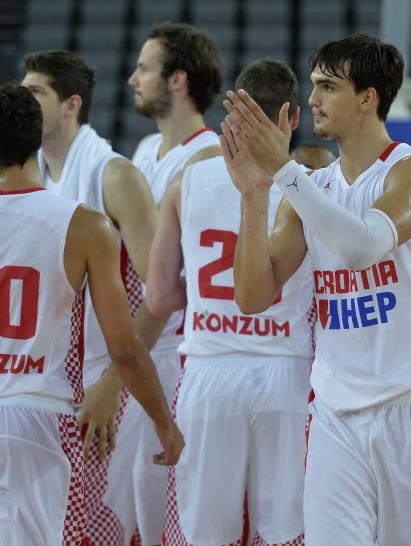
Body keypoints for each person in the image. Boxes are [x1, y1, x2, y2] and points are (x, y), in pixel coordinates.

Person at [221, 33, 411, 545]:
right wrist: (254, 195)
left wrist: (283, 171)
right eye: (313, 85)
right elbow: (253, 298)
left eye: (327, 86)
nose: (311, 99)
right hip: (336, 413)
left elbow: (363, 247)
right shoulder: (309, 190)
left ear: (369, 97)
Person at [0, 83, 183, 546]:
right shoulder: (84, 225)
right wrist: (163, 421)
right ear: (36, 140)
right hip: (39, 416)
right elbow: (123, 346)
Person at [146, 58, 312, 546]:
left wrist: (201, 299)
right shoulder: (313, 187)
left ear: (232, 113)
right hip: (287, 371)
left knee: (202, 533)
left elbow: (158, 297)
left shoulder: (186, 180)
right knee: (286, 532)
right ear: (293, 118)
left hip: (209, 371)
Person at [96, 22, 224, 546]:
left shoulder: (207, 159)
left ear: (177, 80)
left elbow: (168, 287)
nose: (132, 79)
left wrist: (116, 375)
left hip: (168, 357)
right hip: (132, 352)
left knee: (157, 513)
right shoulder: (146, 149)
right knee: (116, 508)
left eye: (145, 69)